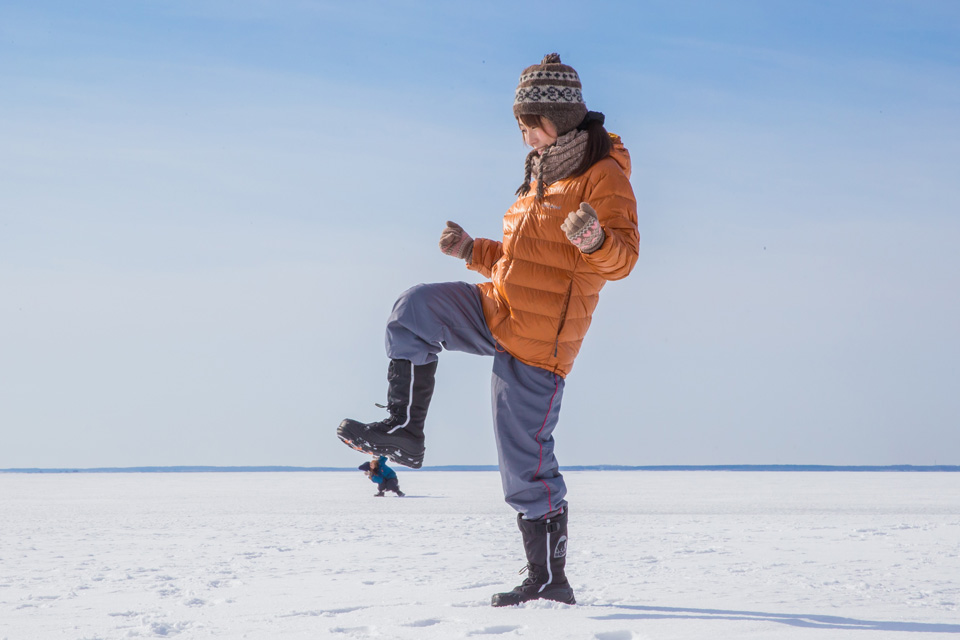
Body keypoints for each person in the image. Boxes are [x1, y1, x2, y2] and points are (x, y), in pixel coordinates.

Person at [338, 53, 639, 607]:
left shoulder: (603, 174)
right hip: (498, 306)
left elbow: (622, 261)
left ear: (562, 118)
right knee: (414, 310)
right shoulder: (539, 173)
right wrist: (470, 250)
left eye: (530, 124)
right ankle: (404, 430)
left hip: (540, 338)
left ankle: (549, 579)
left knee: (523, 462)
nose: (524, 136)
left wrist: (595, 240)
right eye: (521, 126)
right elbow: (523, 260)